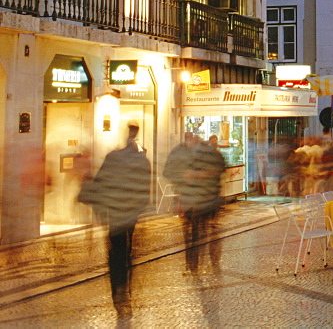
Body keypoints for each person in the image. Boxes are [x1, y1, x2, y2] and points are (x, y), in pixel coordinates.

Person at [79, 122, 150, 319]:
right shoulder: (142, 160)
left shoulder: (113, 157)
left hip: (116, 212)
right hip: (131, 212)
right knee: (126, 250)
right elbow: (146, 187)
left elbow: (101, 182)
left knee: (117, 250)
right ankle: (125, 289)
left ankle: (119, 290)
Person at [163, 132, 226, 274]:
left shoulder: (209, 152)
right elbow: (167, 172)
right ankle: (192, 264)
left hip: (207, 201)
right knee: (191, 233)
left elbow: (221, 168)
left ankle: (201, 262)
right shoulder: (179, 151)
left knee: (202, 231)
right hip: (189, 200)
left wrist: (203, 175)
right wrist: (183, 176)